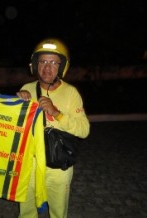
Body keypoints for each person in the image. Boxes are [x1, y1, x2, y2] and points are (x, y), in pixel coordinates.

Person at [16, 38, 90, 218]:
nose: (47, 67)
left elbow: (84, 129)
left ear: (62, 66)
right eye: (42, 61)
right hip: (29, 164)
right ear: (35, 64)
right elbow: (15, 128)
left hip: (58, 165)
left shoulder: (71, 93)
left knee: (58, 213)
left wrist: (57, 113)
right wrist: (17, 103)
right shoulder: (26, 89)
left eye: (53, 62)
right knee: (26, 212)